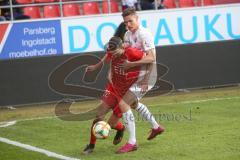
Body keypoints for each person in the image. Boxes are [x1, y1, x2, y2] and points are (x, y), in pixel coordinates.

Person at [83, 36, 146, 154]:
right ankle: (91, 145)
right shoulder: (112, 50)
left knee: (111, 124)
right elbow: (107, 56)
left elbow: (148, 59)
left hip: (126, 93)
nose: (112, 54)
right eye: (110, 51)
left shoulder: (131, 52)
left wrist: (144, 78)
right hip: (113, 87)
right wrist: (97, 66)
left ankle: (121, 128)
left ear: (122, 47)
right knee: (98, 116)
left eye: (114, 51)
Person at [115, 7, 165, 153]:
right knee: (134, 104)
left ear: (137, 19)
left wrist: (144, 79)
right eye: (125, 22)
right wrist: (123, 49)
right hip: (137, 75)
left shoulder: (144, 34)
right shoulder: (128, 35)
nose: (128, 24)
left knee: (124, 103)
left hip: (148, 76)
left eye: (130, 21)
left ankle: (132, 143)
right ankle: (156, 127)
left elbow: (151, 58)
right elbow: (132, 53)